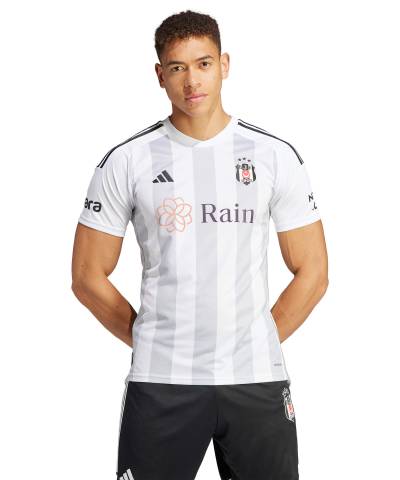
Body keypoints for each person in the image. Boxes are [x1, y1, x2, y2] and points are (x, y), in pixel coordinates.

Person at [71, 9, 328, 480]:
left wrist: (255, 338)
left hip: (256, 380)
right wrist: (152, 339)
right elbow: (87, 276)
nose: (192, 80)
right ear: (160, 75)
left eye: (204, 64)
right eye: (177, 67)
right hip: (162, 382)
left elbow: (313, 270)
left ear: (224, 65)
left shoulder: (274, 156)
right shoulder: (127, 160)